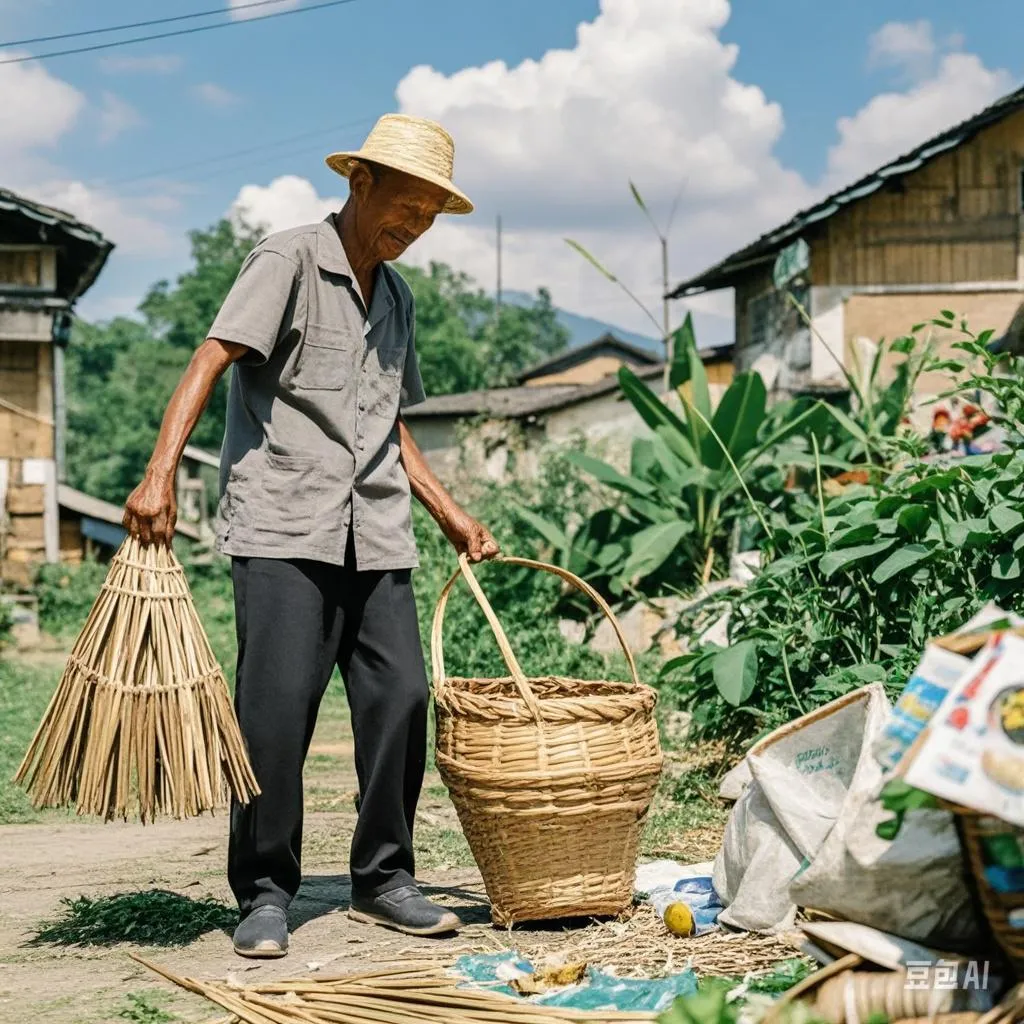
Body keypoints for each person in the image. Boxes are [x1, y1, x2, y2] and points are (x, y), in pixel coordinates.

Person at [122, 114, 499, 959]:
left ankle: (384, 878)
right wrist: (157, 474)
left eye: (431, 217)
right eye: (405, 208)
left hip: (379, 530)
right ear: (359, 183)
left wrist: (446, 508)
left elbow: (387, 418)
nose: (415, 228)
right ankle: (264, 890)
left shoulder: (396, 296)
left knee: (401, 696)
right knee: (275, 712)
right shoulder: (287, 258)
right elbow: (212, 356)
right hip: (285, 523)